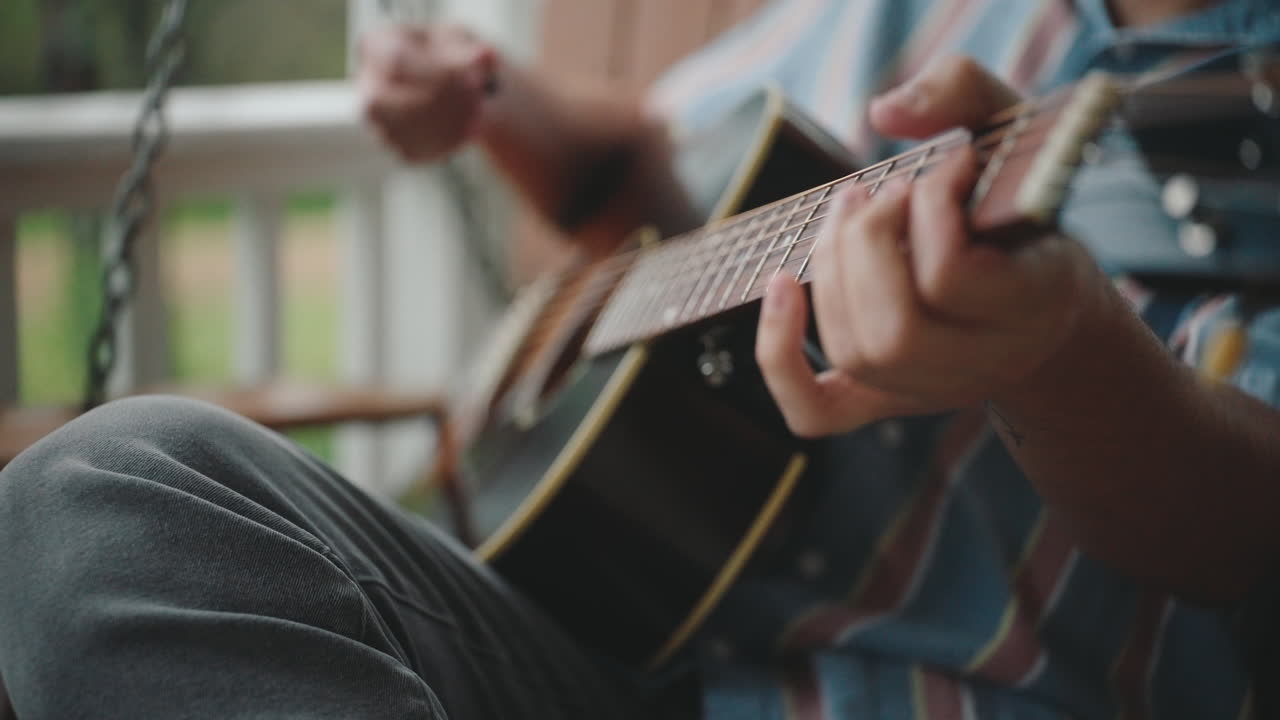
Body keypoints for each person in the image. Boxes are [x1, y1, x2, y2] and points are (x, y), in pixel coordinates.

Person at [2, 0, 1278, 717]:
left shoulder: (1222, 99)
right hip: (595, 644)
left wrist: (1054, 345)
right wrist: (488, 97)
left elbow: (1244, 529)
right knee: (98, 510)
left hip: (906, 694)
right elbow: (646, 165)